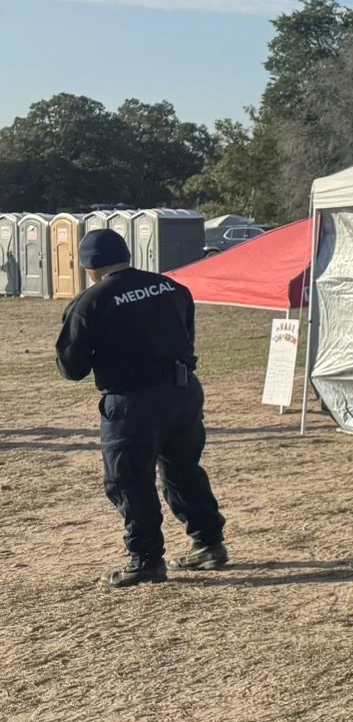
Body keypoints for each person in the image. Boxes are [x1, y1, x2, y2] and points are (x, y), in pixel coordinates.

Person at [55, 228, 228, 588]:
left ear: (90, 265)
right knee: (183, 468)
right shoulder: (171, 287)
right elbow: (186, 335)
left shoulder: (91, 301)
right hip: (183, 391)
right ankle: (209, 544)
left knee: (130, 479)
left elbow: (72, 368)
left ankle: (146, 559)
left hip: (133, 402)